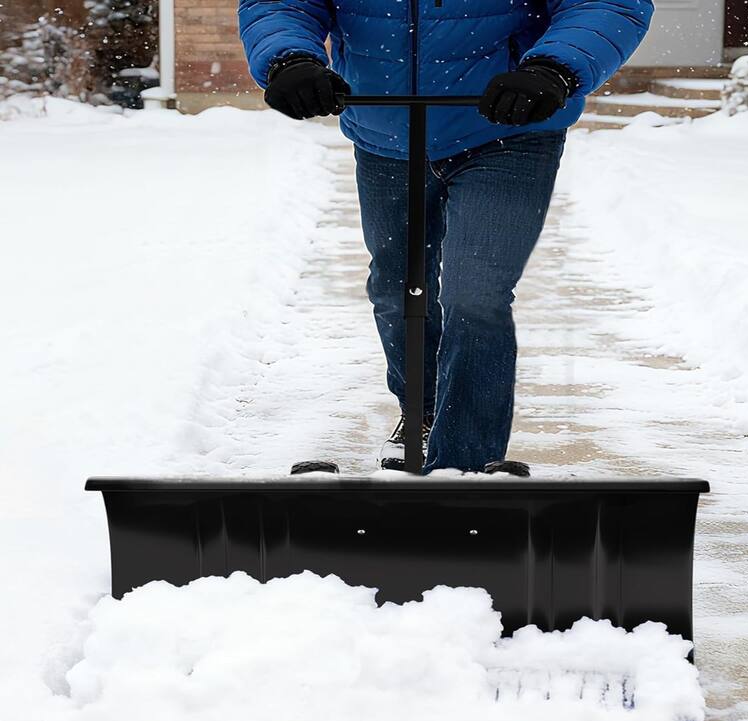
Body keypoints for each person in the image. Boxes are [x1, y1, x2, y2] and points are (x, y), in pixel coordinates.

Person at [239, 0, 653, 474]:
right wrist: (289, 58)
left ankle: (465, 462)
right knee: (397, 290)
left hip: (508, 127)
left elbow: (605, 4)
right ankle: (424, 414)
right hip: (386, 130)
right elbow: (283, 5)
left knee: (474, 293)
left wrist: (553, 68)